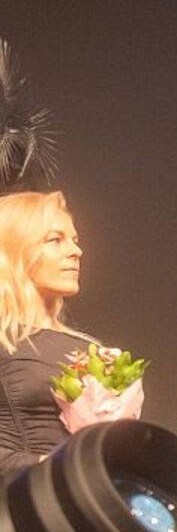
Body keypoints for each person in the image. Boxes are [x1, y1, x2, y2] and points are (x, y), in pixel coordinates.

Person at [0, 191, 92, 477]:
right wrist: (54, 467)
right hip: (19, 500)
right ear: (13, 251)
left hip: (83, 496)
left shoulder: (90, 348)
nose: (76, 251)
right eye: (55, 240)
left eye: (75, 240)